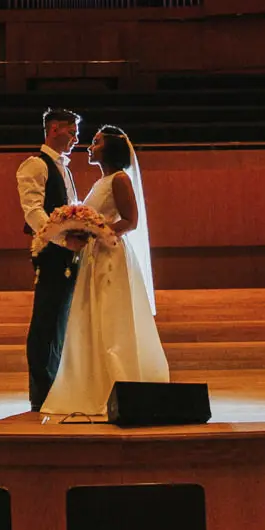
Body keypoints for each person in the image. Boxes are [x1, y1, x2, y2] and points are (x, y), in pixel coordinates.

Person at [40, 124, 169, 418]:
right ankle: (93, 382)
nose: (89, 146)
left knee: (110, 317)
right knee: (92, 317)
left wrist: (97, 231)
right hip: (94, 255)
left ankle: (119, 383)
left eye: (96, 142)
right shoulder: (101, 182)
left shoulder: (119, 179)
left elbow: (130, 221)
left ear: (110, 149)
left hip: (111, 255)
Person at [17, 107, 86, 413]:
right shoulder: (35, 165)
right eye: (72, 132)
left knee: (60, 320)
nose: (76, 138)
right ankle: (40, 392)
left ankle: (56, 384)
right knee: (46, 318)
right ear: (54, 128)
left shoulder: (66, 169)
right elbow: (33, 211)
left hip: (68, 252)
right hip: (51, 251)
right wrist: (60, 239)